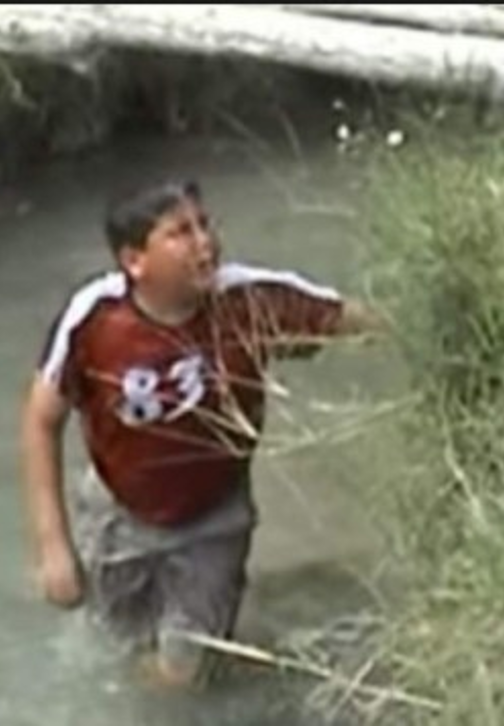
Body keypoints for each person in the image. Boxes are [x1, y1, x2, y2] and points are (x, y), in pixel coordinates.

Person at [19, 178, 387, 690]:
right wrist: (52, 545)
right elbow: (41, 420)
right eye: (180, 233)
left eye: (205, 225)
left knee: (184, 674)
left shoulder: (248, 301)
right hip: (119, 514)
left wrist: (426, 329)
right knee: (115, 646)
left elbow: (353, 319)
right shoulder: (95, 320)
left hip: (215, 519)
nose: (205, 242)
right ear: (135, 261)